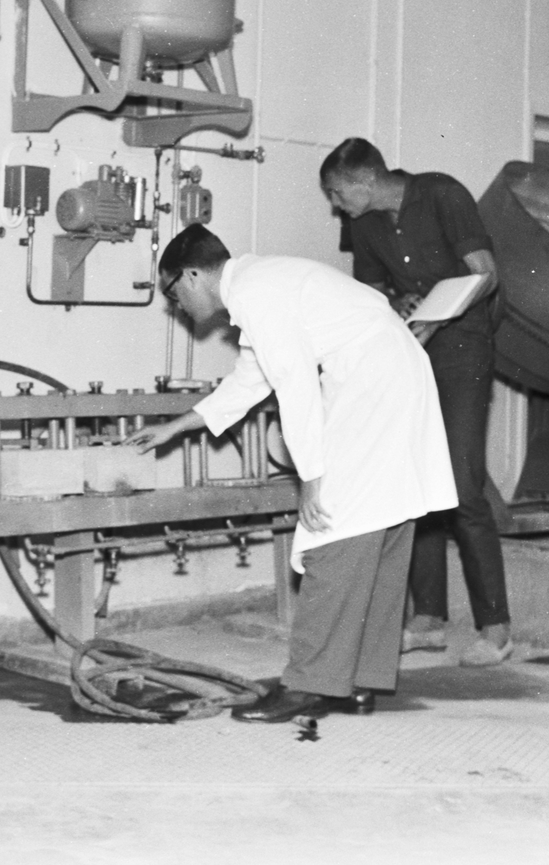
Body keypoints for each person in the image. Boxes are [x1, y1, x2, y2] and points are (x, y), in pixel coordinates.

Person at [125, 225, 457, 723]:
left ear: (191, 275)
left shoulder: (257, 295)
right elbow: (250, 380)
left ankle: (308, 684)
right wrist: (175, 427)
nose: (178, 307)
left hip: (373, 383)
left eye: (174, 294)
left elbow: (295, 387)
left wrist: (313, 479)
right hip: (395, 374)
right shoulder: (260, 286)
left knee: (331, 531)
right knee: (381, 523)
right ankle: (358, 681)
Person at [319, 137, 512, 667]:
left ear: (364, 180)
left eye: (337, 193)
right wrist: (396, 300)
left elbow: (485, 274)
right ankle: (427, 619)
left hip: (464, 351)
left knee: (464, 485)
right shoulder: (365, 225)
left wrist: (439, 316)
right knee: (416, 484)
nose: (336, 205)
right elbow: (371, 292)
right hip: (409, 352)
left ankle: (496, 628)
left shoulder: (443, 195)